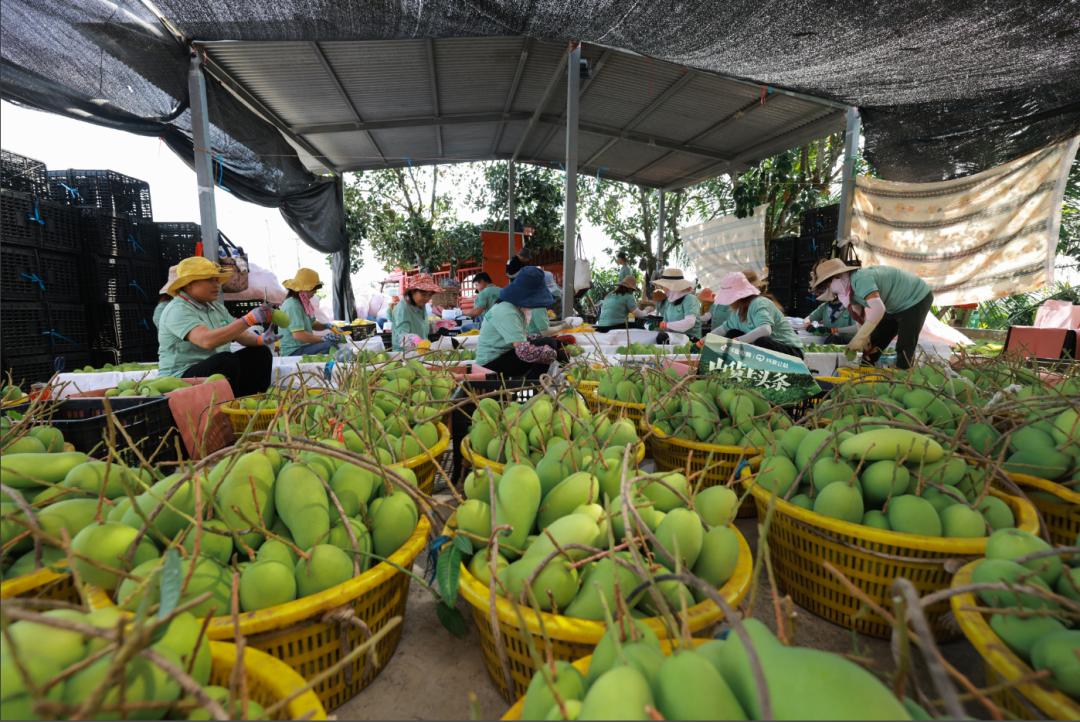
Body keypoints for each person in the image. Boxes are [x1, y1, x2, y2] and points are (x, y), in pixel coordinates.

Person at [157, 256, 275, 396]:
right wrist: (248, 320)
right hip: (181, 376)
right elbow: (207, 341)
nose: (217, 284)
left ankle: (251, 400)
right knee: (225, 361)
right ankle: (229, 406)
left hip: (214, 368)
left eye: (217, 280)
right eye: (210, 280)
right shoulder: (177, 309)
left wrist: (261, 340)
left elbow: (241, 336)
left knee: (260, 353)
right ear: (189, 284)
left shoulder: (215, 307)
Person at [810, 258, 933, 370]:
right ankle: (865, 372)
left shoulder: (861, 279)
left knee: (905, 344)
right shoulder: (848, 290)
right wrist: (864, 339)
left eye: (828, 284)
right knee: (873, 344)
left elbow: (878, 309)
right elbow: (858, 317)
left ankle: (904, 377)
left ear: (837, 277)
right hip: (893, 306)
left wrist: (859, 338)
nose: (830, 289)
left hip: (916, 297)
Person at [475, 266, 568, 378]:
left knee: (550, 342)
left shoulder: (515, 308)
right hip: (490, 365)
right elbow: (523, 352)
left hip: (503, 356)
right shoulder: (507, 312)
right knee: (548, 344)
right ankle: (533, 384)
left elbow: (524, 338)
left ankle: (534, 382)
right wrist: (554, 354)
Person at [714, 271, 804, 358]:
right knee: (732, 333)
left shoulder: (759, 303)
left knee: (761, 340)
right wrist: (705, 340)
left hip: (792, 352)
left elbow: (765, 330)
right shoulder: (738, 311)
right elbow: (723, 329)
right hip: (768, 352)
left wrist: (738, 341)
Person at [278, 267, 341, 357]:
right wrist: (323, 338)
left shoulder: (302, 303)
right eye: (313, 290)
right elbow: (299, 335)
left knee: (333, 345)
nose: (315, 292)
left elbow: (313, 324)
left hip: (303, 347)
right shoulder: (292, 305)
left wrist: (327, 326)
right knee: (331, 347)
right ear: (304, 289)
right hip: (293, 351)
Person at [390, 274, 449, 351]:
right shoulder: (402, 309)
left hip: (421, 351)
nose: (427, 298)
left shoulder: (420, 304)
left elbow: (420, 326)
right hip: (405, 355)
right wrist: (414, 340)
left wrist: (436, 325)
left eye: (429, 295)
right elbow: (400, 337)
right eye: (424, 294)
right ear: (412, 292)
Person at [652, 268, 704, 342]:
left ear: (672, 286)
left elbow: (689, 322)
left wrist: (666, 325)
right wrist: (656, 327)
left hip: (691, 341)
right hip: (674, 339)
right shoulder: (669, 303)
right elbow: (665, 325)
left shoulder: (690, 299)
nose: (663, 289)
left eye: (664, 286)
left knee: (662, 338)